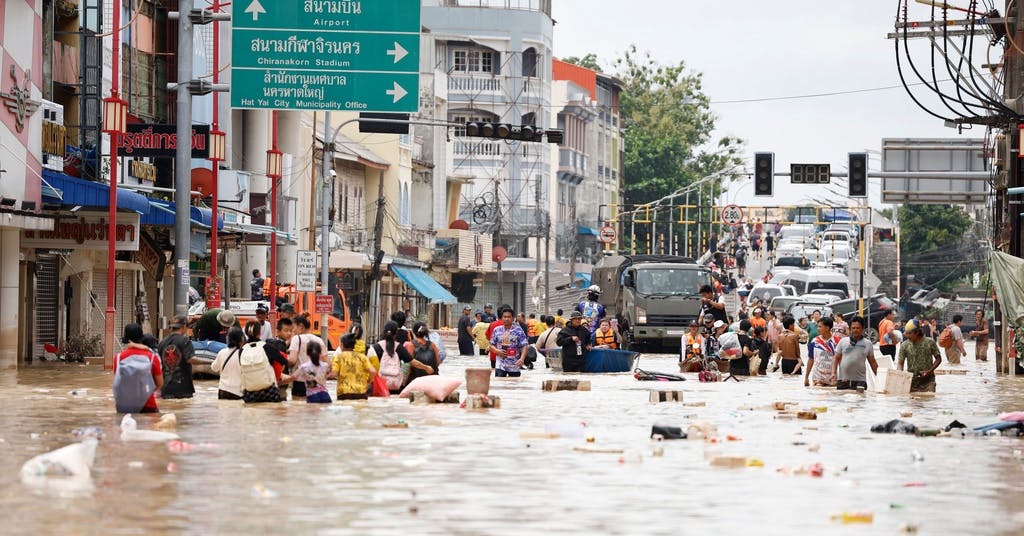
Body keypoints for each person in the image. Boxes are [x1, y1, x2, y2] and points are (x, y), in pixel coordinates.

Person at [369, 321, 432, 394]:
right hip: (396, 386)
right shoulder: (399, 347)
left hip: (380, 386)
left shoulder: (375, 347)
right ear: (396, 333)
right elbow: (412, 362)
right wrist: (426, 367)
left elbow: (369, 366)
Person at [114, 324, 163, 413]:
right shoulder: (152, 357)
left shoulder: (118, 358)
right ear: (141, 337)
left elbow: (119, 381)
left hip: (125, 406)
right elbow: (160, 383)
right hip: (148, 405)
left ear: (126, 339)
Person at [832, 316, 878, 390]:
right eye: (853, 328)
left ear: (862, 328)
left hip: (860, 381)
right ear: (850, 329)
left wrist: (879, 377)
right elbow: (836, 359)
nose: (855, 330)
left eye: (858, 328)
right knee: (841, 401)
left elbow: (872, 362)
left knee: (860, 400)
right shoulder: (843, 341)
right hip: (843, 380)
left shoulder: (867, 344)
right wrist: (833, 373)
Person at [157, 314, 197, 399]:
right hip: (183, 387)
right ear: (184, 326)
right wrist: (209, 362)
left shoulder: (162, 342)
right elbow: (190, 359)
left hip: (166, 387)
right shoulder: (185, 340)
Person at [288, 315, 326, 400]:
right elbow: (327, 363)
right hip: (317, 382)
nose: (292, 330)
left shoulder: (296, 339)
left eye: (294, 327)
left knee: (298, 409)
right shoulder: (319, 340)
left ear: (301, 326)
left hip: (300, 382)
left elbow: (292, 360)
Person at [898, 319, 941, 393]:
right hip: (911, 383)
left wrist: (929, 371)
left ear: (917, 332)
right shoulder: (904, 345)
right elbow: (900, 363)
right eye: (906, 333)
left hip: (928, 382)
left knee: (929, 401)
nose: (907, 336)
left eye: (909, 333)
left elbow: (938, 359)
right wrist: (900, 374)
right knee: (913, 403)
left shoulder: (930, 342)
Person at [331, 333, 376, 400]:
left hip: (344, 393)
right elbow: (373, 371)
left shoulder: (339, 357)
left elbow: (334, 373)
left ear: (342, 345)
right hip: (361, 393)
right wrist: (368, 381)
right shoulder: (362, 357)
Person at [488, 307, 529, 377]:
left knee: (515, 385)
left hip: (515, 365)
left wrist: (522, 359)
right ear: (501, 318)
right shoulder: (497, 330)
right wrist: (497, 351)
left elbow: (524, 345)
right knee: (500, 384)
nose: (506, 319)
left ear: (513, 318)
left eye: (509, 317)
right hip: (500, 366)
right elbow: (491, 344)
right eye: (505, 317)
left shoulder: (518, 330)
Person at [211, 327, 245, 400]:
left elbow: (214, 368)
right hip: (237, 392)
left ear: (228, 339)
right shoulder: (243, 354)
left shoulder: (222, 352)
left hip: (223, 390)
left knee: (223, 410)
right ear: (241, 339)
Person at [293, 339, 331, 403]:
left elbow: (293, 377)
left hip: (312, 396)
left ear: (307, 353)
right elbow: (327, 375)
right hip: (325, 395)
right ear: (320, 353)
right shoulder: (325, 366)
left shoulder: (304, 367)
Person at [805, 317, 839, 387]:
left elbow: (841, 360)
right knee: (819, 394)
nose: (817, 328)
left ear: (827, 328)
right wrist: (806, 377)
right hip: (818, 377)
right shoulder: (814, 341)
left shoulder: (837, 341)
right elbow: (811, 359)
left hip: (832, 377)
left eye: (820, 327)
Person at [264, 318, 294, 387]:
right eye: (286, 331)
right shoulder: (280, 346)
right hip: (279, 382)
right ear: (278, 332)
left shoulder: (271, 342)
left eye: (291, 331)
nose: (289, 333)